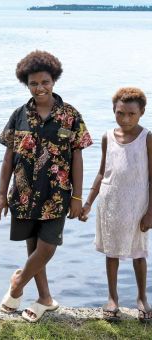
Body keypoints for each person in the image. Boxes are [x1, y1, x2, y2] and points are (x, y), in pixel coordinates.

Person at [0, 50, 93, 322]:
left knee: (47, 247)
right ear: (27, 83)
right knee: (34, 248)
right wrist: (1, 194)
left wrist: (78, 197)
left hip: (57, 196)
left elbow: (78, 157)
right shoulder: (18, 115)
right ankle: (45, 298)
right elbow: (8, 158)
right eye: (34, 83)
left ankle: (17, 283)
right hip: (23, 195)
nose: (40, 88)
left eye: (45, 82)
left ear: (54, 80)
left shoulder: (70, 115)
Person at [80, 87, 152, 323]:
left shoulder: (147, 138)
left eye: (131, 114)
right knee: (111, 252)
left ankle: (142, 297)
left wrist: (151, 211)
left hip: (137, 204)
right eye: (120, 113)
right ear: (114, 111)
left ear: (141, 112)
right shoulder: (107, 137)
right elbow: (102, 172)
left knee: (138, 252)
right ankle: (112, 298)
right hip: (110, 202)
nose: (126, 119)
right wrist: (88, 202)